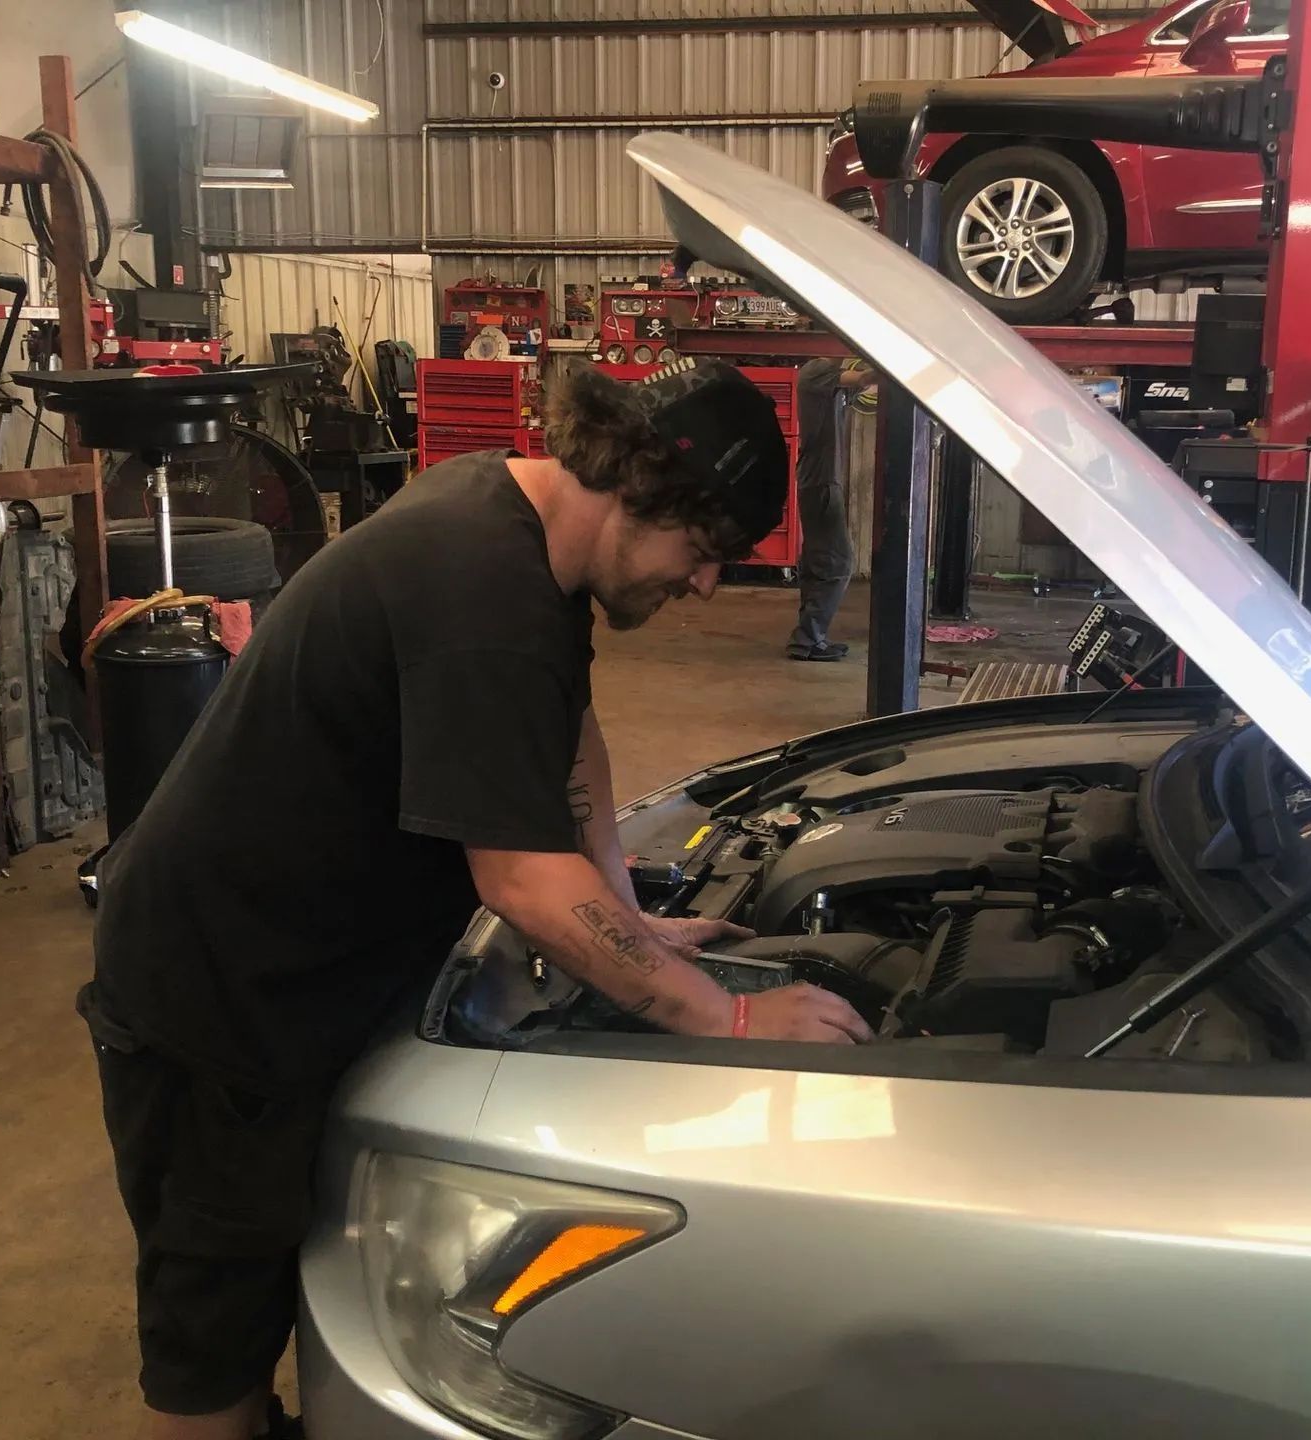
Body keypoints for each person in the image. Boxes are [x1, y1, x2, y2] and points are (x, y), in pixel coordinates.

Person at [78, 358, 874, 1440]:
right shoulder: (480, 592)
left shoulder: (510, 515)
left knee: (282, 1263)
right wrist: (723, 1014)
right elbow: (520, 880)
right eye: (705, 552)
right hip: (217, 997)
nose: (703, 587)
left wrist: (629, 918)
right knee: (210, 1329)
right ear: (638, 492)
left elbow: (565, 737)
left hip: (300, 968)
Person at [786, 356, 871, 661]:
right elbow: (861, 380)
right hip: (820, 482)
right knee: (838, 564)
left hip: (820, 481)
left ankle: (808, 638)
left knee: (818, 563)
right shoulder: (815, 372)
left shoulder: (831, 386)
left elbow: (860, 385)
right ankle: (808, 639)